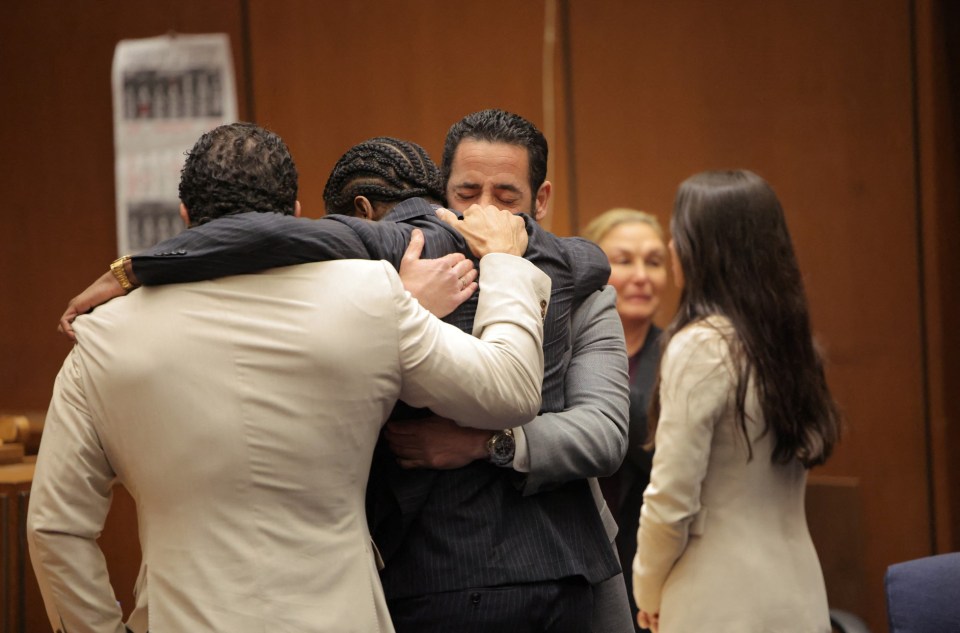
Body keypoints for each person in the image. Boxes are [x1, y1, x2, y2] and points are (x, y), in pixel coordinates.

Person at [59, 112, 634, 632]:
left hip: (181, 615)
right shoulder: (374, 295)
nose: (484, 212)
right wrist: (479, 279)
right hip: (359, 604)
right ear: (300, 215)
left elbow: (57, 528)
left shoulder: (101, 336)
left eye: (504, 195)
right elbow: (506, 388)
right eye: (467, 193)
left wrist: (140, 267)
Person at [632, 170, 841, 633]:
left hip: (717, 598)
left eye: (676, 235)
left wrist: (646, 590)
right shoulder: (791, 345)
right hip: (799, 592)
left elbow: (671, 500)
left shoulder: (701, 344)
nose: (671, 248)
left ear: (701, 249)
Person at [583, 208, 669, 630]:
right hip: (576, 553)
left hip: (649, 561)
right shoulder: (567, 351)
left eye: (654, 262)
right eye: (624, 259)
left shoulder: (681, 354)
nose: (641, 276)